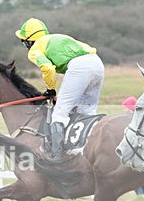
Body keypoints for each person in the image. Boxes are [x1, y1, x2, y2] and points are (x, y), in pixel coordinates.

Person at [16, 18, 105, 160]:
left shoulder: (35, 49)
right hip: (97, 63)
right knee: (86, 112)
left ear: (28, 41)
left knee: (59, 113)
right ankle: (85, 149)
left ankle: (57, 158)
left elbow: (47, 68)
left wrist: (50, 89)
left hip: (79, 67)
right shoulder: (57, 37)